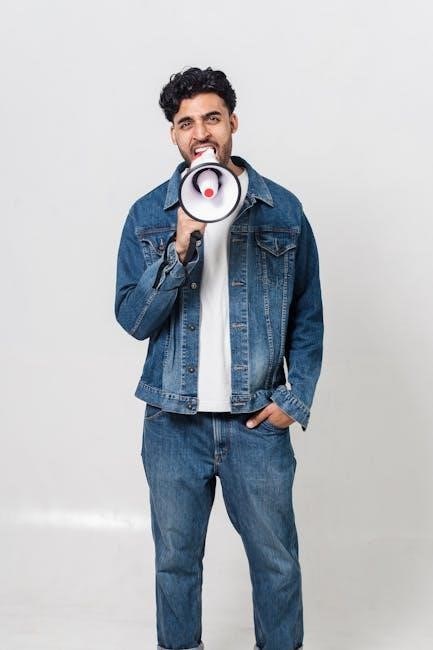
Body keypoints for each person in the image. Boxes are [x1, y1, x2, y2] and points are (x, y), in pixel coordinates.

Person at [115, 67, 324, 650]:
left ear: (232, 122)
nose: (200, 132)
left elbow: (308, 316)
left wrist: (293, 398)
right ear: (173, 135)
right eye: (186, 123)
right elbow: (133, 319)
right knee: (176, 564)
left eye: (211, 118)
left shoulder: (282, 210)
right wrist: (180, 244)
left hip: (254, 425)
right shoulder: (148, 215)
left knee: (276, 563)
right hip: (172, 424)